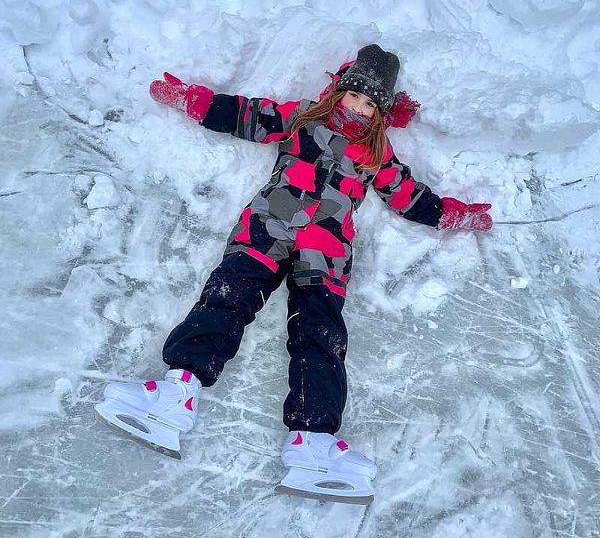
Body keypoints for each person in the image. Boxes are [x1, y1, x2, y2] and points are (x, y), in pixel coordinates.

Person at [95, 44, 492, 505]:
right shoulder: (303, 117)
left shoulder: (377, 155)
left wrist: (458, 216)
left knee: (320, 337)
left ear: (381, 113)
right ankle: (176, 394)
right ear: (339, 90)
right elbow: (244, 115)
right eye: (354, 96)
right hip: (267, 228)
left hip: (326, 252)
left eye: (369, 104)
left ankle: (312, 443)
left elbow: (410, 197)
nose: (358, 108)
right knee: (225, 299)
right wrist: (191, 99)